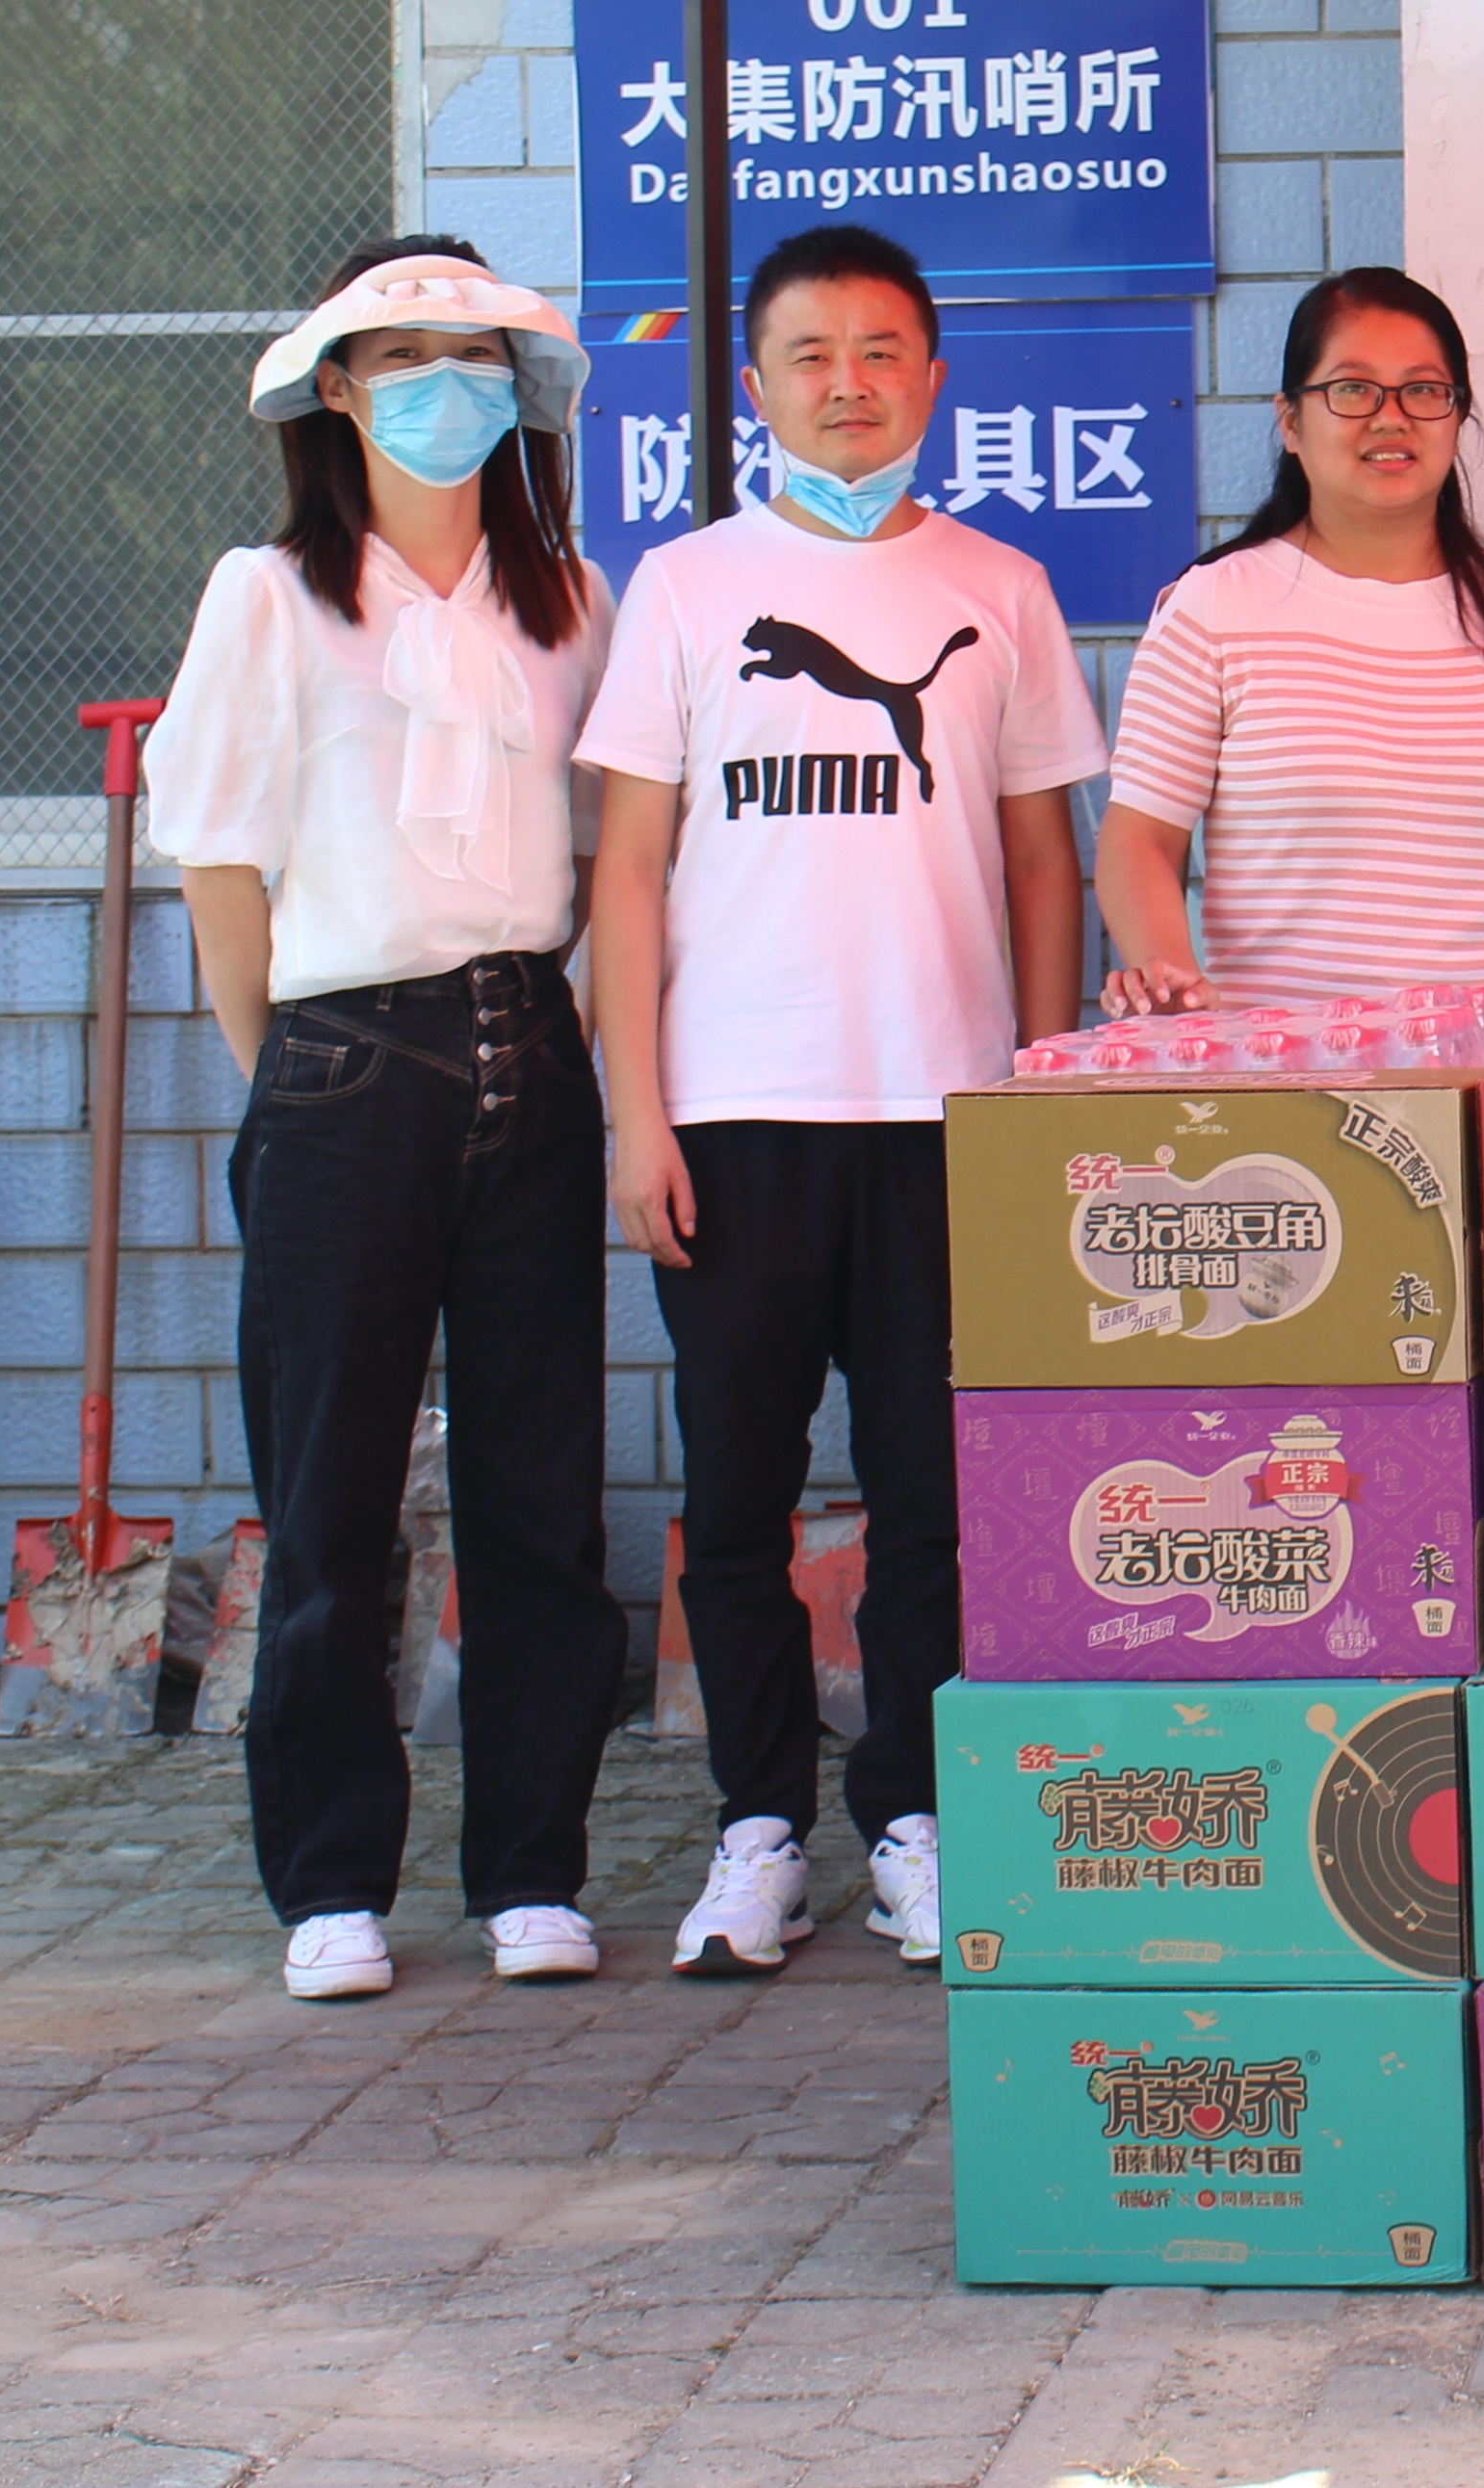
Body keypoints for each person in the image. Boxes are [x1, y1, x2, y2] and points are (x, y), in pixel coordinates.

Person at [580, 223, 1104, 1977]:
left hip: (944, 1119)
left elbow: (1046, 860)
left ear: (934, 376)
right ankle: (756, 1828)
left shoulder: (1001, 585)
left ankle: (912, 1817)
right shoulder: (682, 587)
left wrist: (1035, 1096)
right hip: (733, 1112)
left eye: (882, 350)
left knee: (928, 1500)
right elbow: (627, 866)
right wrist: (636, 1112)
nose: (849, 383)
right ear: (755, 384)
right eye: (811, 353)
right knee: (734, 1495)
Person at [146, 234, 629, 2003]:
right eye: (404, 357)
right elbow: (218, 866)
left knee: (536, 1493)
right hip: (343, 1058)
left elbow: (618, 847)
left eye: (475, 355)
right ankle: (333, 1879)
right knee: (332, 1496)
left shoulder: (570, 596)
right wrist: (285, 1075)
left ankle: (532, 1872)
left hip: (531, 1052)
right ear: (336, 387)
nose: (445, 388)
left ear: (521, 386)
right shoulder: (270, 595)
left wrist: (571, 1036)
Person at [1098, 271, 1484, 1011]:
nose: (1390, 418)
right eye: (1352, 389)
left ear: (1458, 416)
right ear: (1290, 422)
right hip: (1281, 1062)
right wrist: (1172, 979)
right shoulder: (1213, 605)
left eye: (1423, 390)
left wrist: (1469, 981)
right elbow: (1140, 838)